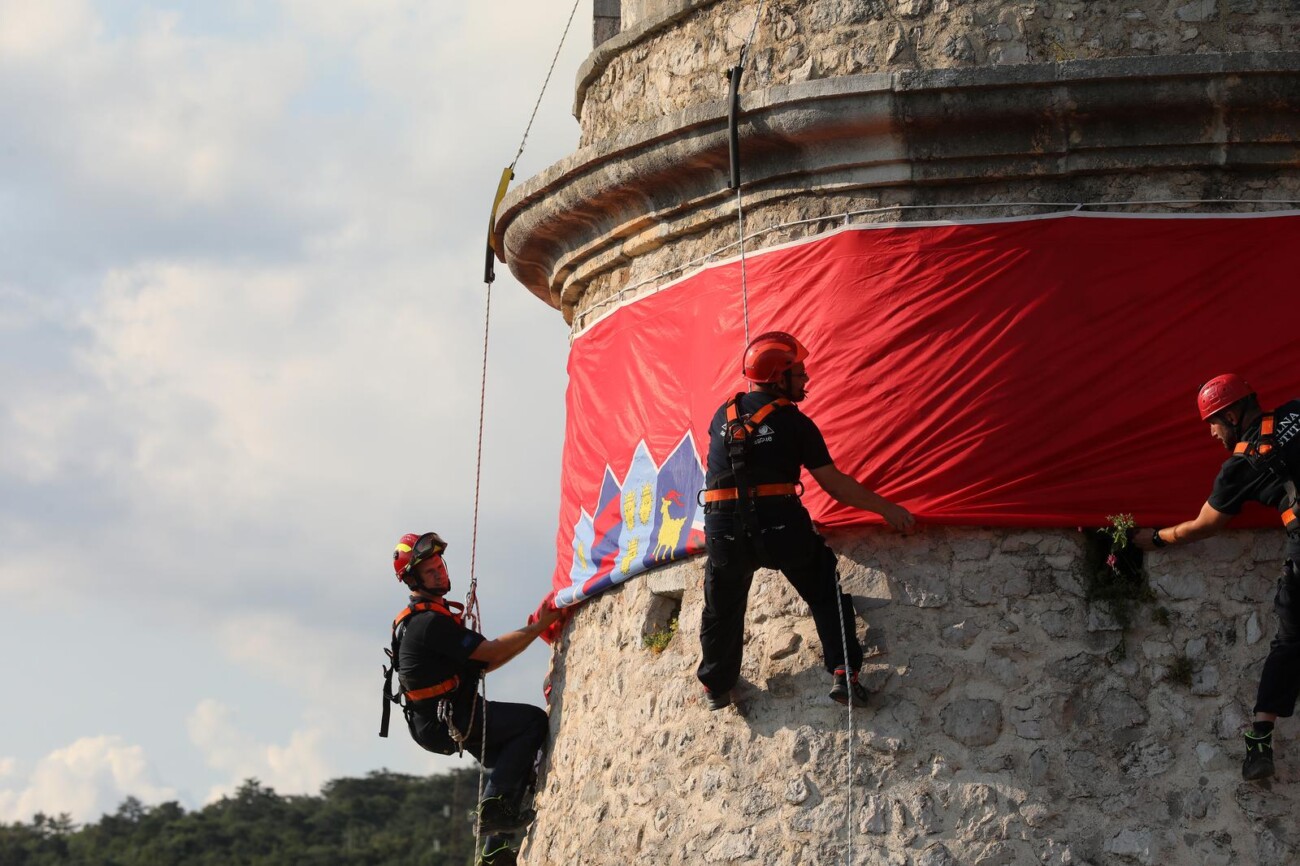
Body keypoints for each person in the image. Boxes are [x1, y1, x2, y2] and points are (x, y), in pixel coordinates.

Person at [697, 331, 916, 711]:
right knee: (823, 589)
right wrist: (887, 509)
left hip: (723, 529)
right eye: (799, 372)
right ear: (779, 378)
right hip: (780, 524)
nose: (807, 379)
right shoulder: (795, 425)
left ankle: (716, 686)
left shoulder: (723, 415)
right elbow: (836, 485)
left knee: (722, 602)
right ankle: (844, 673)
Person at [1132, 374, 1300, 782]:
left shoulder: (1239, 468)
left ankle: (1260, 739)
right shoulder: (1296, 410)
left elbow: (1204, 525)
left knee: (1290, 642)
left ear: (1231, 414)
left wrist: (1157, 538)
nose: (1211, 432)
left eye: (1213, 422)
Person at [381, 531, 563, 865]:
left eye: (439, 565)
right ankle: (492, 811)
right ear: (414, 581)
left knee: (516, 759)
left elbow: (481, 662)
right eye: (430, 570)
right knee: (531, 723)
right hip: (449, 718)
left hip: (436, 720)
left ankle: (494, 848)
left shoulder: (423, 621)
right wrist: (538, 626)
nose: (439, 572)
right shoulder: (429, 625)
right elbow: (488, 657)